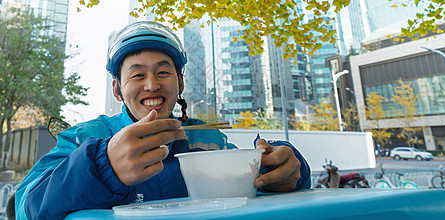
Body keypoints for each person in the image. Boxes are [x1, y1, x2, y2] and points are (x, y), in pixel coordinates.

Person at [15, 21, 311, 219]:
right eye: (137, 74)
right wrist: (103, 168)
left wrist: (284, 171)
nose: (152, 85)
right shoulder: (83, 139)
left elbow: (250, 190)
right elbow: (26, 205)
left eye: (163, 71)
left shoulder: (209, 140)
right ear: (118, 89)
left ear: (180, 84)